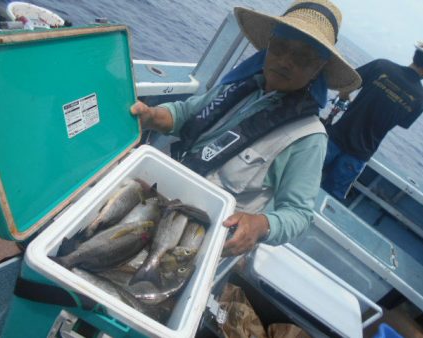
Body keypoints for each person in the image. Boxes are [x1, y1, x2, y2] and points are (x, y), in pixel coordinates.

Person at [130, 0, 361, 256]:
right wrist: (151, 115)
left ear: (317, 68)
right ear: (269, 45)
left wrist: (260, 224)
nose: (286, 61)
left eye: (303, 57)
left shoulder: (309, 138)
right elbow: (185, 114)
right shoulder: (238, 87)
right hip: (159, 194)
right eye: (281, 47)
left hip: (196, 240)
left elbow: (299, 214)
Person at [322, 39, 423, 200]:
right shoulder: (421, 100)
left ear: (415, 56)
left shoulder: (381, 66)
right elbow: (401, 123)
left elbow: (347, 84)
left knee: (301, 175)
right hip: (358, 155)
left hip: (334, 138)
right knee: (331, 196)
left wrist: (345, 98)